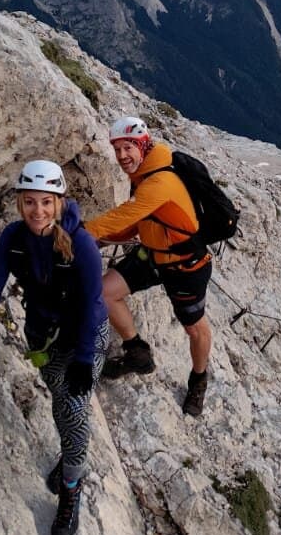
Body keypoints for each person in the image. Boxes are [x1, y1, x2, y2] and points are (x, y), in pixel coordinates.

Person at [0, 159, 107, 535]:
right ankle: (69, 454)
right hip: (41, 335)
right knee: (59, 398)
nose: (37, 211)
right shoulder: (14, 237)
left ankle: (71, 489)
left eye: (45, 202)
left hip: (83, 336)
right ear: (20, 203)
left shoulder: (82, 245)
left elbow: (92, 303)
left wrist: (86, 359)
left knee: (73, 409)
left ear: (58, 203)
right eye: (29, 202)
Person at [85, 115, 212, 417]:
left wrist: (78, 235)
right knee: (104, 292)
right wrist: (104, 241)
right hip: (153, 255)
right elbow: (139, 224)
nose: (122, 156)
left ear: (143, 146)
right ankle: (137, 352)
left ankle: (199, 380)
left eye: (128, 147)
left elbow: (124, 216)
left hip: (186, 266)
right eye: (117, 150)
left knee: (195, 329)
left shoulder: (160, 181)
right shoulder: (143, 176)